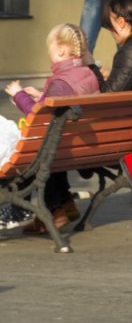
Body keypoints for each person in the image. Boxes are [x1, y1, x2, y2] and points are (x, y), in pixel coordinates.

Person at [1, 24, 103, 232]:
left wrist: (18, 94)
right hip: (80, 146)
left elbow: (40, 118)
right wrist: (42, 97)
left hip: (58, 147)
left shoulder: (60, 82)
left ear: (61, 50)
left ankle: (23, 207)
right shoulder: (87, 74)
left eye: (50, 46)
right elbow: (64, 105)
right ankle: (63, 205)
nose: (47, 51)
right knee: (49, 148)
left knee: (20, 149)